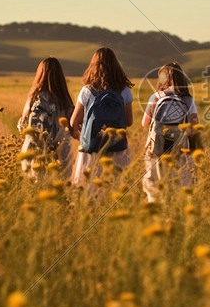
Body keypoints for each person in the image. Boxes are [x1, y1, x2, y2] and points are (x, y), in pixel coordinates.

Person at [69, 47, 134, 188]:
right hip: (117, 149)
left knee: (88, 191)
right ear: (116, 66)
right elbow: (128, 122)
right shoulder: (125, 90)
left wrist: (86, 133)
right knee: (115, 189)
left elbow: (73, 122)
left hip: (91, 149)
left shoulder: (86, 90)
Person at [141, 61, 198, 201]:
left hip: (157, 146)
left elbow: (145, 123)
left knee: (155, 186)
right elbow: (194, 123)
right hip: (180, 148)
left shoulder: (156, 96)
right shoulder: (188, 99)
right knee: (179, 185)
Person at [18, 56, 75, 179]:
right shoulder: (65, 103)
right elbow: (73, 129)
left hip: (35, 158)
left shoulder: (34, 99)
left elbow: (23, 127)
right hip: (61, 157)